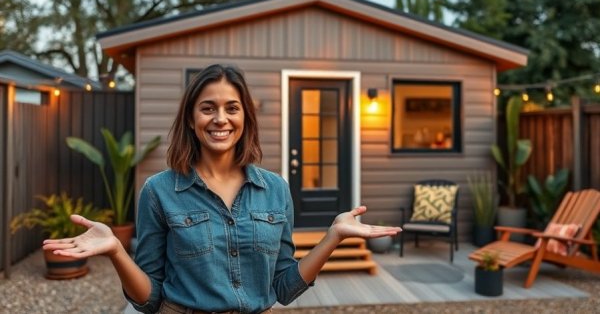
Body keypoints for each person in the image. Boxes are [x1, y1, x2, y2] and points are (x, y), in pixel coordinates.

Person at [42, 64, 401, 314]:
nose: (220, 119)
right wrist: (117, 251)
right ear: (191, 118)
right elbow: (148, 300)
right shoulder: (159, 191)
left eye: (232, 108)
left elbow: (284, 289)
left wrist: (333, 236)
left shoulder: (275, 189)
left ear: (245, 118)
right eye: (207, 108)